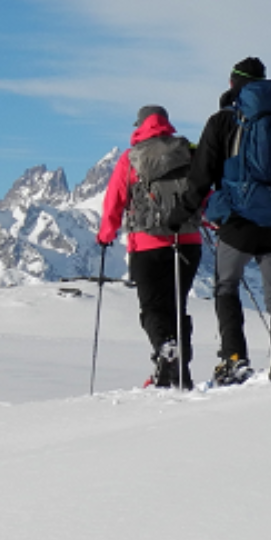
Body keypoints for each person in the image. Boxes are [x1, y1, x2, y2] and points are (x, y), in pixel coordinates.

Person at [167, 58, 271, 385]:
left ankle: (233, 359)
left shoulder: (224, 120)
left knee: (226, 285)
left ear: (233, 84)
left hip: (239, 221)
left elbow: (201, 176)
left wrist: (180, 215)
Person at [98, 105, 203, 389]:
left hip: (147, 245)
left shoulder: (131, 158)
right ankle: (180, 373)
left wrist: (106, 235)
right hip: (188, 241)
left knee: (152, 308)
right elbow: (202, 190)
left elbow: (115, 201)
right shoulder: (186, 150)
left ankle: (165, 349)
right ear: (167, 124)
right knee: (176, 306)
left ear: (140, 125)